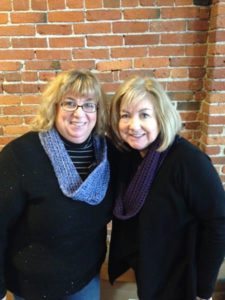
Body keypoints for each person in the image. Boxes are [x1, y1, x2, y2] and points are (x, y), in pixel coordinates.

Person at [0, 69, 115, 300]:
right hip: (33, 286)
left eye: (89, 105)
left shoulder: (110, 155)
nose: (79, 114)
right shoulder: (20, 155)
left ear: (98, 111)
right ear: (54, 107)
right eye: (69, 103)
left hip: (85, 281)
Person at [108, 75, 225, 300]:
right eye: (125, 115)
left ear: (161, 118)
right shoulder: (128, 156)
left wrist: (204, 290)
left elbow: (218, 223)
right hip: (148, 272)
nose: (134, 125)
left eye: (144, 115)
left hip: (179, 279)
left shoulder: (189, 162)